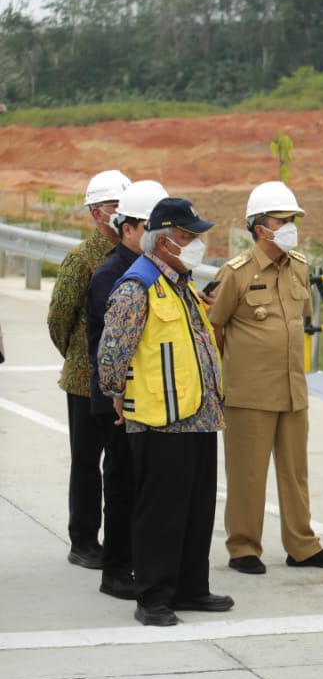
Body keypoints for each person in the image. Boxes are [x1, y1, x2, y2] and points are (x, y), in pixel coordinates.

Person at [97, 197, 234, 626]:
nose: (196, 243)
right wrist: (115, 391)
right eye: (187, 236)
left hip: (200, 414)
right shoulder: (136, 286)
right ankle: (153, 596)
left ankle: (191, 588)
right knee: (160, 511)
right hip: (162, 419)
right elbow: (113, 352)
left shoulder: (181, 283)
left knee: (196, 508)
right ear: (162, 241)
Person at [210, 181, 323, 574]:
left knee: (295, 474)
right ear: (259, 227)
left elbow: (295, 324)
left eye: (293, 220)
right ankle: (243, 548)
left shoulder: (299, 267)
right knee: (247, 476)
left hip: (292, 391)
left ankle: (302, 545)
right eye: (282, 220)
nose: (290, 226)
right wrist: (225, 379)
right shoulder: (235, 273)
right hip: (249, 394)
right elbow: (214, 329)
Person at [85, 179, 169, 600]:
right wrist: (114, 393)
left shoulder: (155, 269)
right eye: (152, 227)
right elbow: (110, 347)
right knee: (120, 486)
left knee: (143, 487)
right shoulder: (112, 274)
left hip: (148, 400)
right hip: (118, 402)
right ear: (129, 228)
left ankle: (138, 562)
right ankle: (116, 570)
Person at [47, 169, 130, 570]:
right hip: (84, 381)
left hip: (124, 383)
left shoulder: (133, 256)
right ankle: (82, 540)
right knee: (86, 462)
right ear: (97, 214)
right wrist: (78, 357)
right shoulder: (82, 259)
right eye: (116, 206)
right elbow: (59, 318)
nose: (122, 213)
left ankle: (117, 537)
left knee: (119, 461)